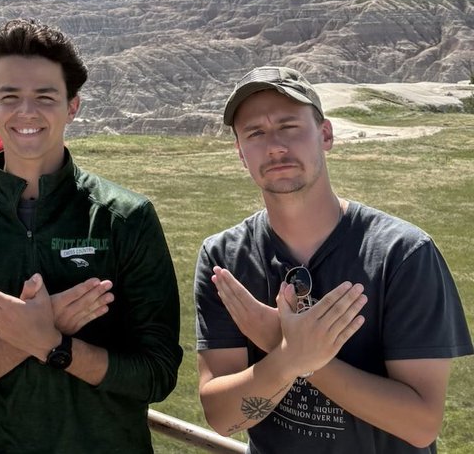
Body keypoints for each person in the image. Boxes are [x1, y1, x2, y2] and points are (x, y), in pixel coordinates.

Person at [0, 19, 182, 453]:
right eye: (10, 97)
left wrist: (54, 345)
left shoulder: (125, 219)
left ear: (73, 106)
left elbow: (157, 374)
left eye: (46, 97)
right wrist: (25, 337)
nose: (27, 112)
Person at [195, 66, 473, 452]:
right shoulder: (224, 259)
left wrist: (292, 351)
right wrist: (290, 356)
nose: (274, 146)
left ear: (325, 135)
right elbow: (223, 417)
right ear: (241, 153)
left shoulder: (403, 254)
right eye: (255, 133)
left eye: (289, 126)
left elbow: (420, 425)